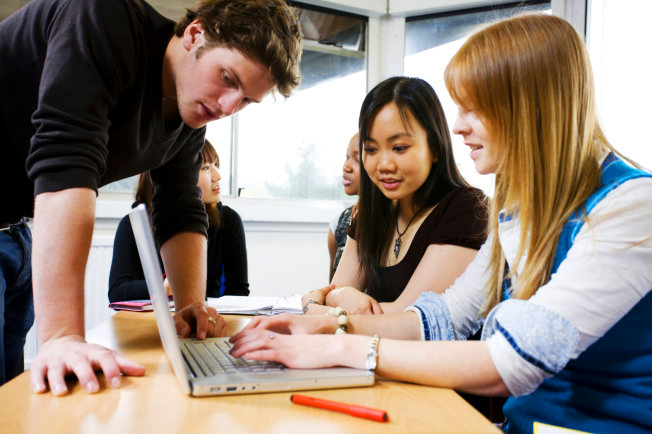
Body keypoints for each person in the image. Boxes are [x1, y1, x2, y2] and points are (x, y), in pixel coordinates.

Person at [229, 14, 652, 433]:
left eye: (475, 108)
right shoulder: (521, 208)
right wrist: (325, 324)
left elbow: (510, 364)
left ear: (530, 107)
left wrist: (346, 346)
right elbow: (442, 319)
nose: (459, 126)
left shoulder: (631, 206)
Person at [0, 0, 301, 393]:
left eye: (246, 100)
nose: (228, 107)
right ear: (195, 34)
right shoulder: (103, 19)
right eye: (228, 77)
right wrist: (61, 337)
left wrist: (192, 304)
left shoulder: (190, 111)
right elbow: (65, 162)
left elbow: (179, 204)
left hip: (15, 234)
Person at [303, 77, 488, 315]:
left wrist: (313, 304)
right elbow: (335, 293)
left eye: (399, 148)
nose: (384, 165)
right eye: (370, 150)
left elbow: (409, 319)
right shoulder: (371, 212)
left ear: (435, 148)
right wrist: (339, 295)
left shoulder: (466, 209)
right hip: (370, 350)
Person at [109, 140, 249, 302]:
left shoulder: (229, 220)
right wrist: (163, 287)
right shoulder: (133, 224)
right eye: (205, 167)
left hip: (206, 317)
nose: (218, 176)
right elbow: (117, 292)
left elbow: (239, 291)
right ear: (172, 176)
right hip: (152, 320)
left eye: (216, 164)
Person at [327, 133, 360, 281]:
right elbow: (331, 288)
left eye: (358, 160)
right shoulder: (337, 224)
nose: (346, 166)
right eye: (347, 157)